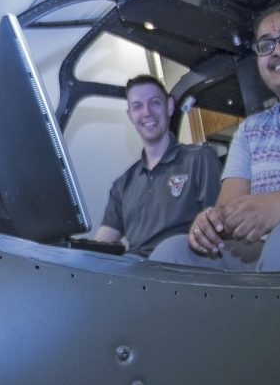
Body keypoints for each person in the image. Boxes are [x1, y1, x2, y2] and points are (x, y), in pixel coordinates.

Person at [149, 2, 280, 271]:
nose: (278, 50)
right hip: (269, 252)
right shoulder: (251, 131)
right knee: (173, 253)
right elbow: (229, 212)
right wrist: (212, 222)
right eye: (265, 46)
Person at [90, 74, 221, 257]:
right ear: (130, 115)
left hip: (181, 268)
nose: (146, 113)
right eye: (137, 106)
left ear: (169, 106)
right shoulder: (122, 185)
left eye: (154, 103)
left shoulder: (199, 160)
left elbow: (218, 226)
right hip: (136, 273)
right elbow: (102, 243)